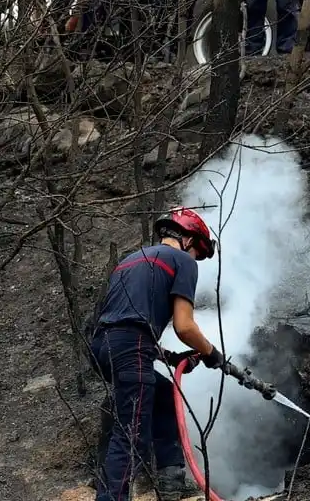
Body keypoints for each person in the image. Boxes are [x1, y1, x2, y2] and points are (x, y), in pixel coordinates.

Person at [91, 207, 229, 501]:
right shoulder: (182, 261)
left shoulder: (130, 260)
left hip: (103, 346)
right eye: (198, 253)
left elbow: (123, 321)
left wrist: (168, 356)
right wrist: (211, 353)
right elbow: (184, 326)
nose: (195, 261)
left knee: (163, 391)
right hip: (131, 347)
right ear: (190, 240)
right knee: (131, 436)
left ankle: (171, 480)